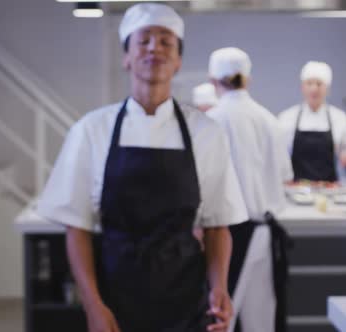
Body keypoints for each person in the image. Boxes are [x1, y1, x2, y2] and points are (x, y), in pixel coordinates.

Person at [36, 4, 248, 332]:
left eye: (166, 41)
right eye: (144, 40)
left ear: (177, 61)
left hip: (187, 303)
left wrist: (219, 288)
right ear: (126, 57)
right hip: (114, 301)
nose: (154, 48)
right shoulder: (92, 130)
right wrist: (92, 305)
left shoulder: (206, 132)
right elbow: (77, 228)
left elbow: (218, 227)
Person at [207, 47, 293, 332]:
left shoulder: (212, 120)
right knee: (262, 323)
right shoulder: (269, 119)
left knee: (221, 321)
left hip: (228, 236)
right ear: (248, 80)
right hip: (264, 232)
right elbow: (284, 175)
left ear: (213, 81)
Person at [278, 61, 346, 183]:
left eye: (319, 84)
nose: (314, 88)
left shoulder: (339, 118)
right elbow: (278, 154)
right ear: (302, 87)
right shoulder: (286, 117)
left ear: (327, 88)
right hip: (296, 189)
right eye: (309, 83)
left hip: (330, 189)